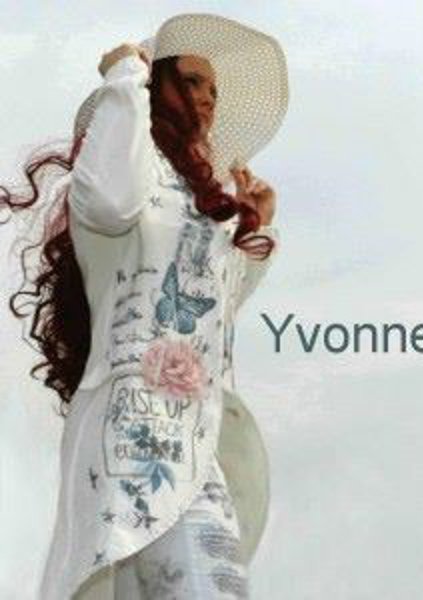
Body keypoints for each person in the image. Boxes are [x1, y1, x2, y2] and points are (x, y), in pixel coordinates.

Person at [0, 13, 288, 600]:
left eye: (214, 89)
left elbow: (212, 313)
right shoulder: (124, 178)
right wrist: (123, 79)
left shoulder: (194, 204)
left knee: (213, 581)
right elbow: (110, 202)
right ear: (156, 89)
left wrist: (254, 228)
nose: (208, 99)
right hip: (133, 432)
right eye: (192, 81)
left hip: (196, 437)